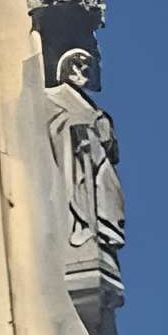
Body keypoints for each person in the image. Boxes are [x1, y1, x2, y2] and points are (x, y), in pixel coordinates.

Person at [47, 47, 126, 263]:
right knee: (84, 185)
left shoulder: (92, 106)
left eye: (86, 66)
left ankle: (101, 227)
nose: (82, 69)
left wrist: (101, 127)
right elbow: (51, 125)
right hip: (78, 162)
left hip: (99, 164)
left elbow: (112, 148)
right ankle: (84, 224)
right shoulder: (54, 96)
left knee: (108, 188)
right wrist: (78, 128)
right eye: (77, 63)